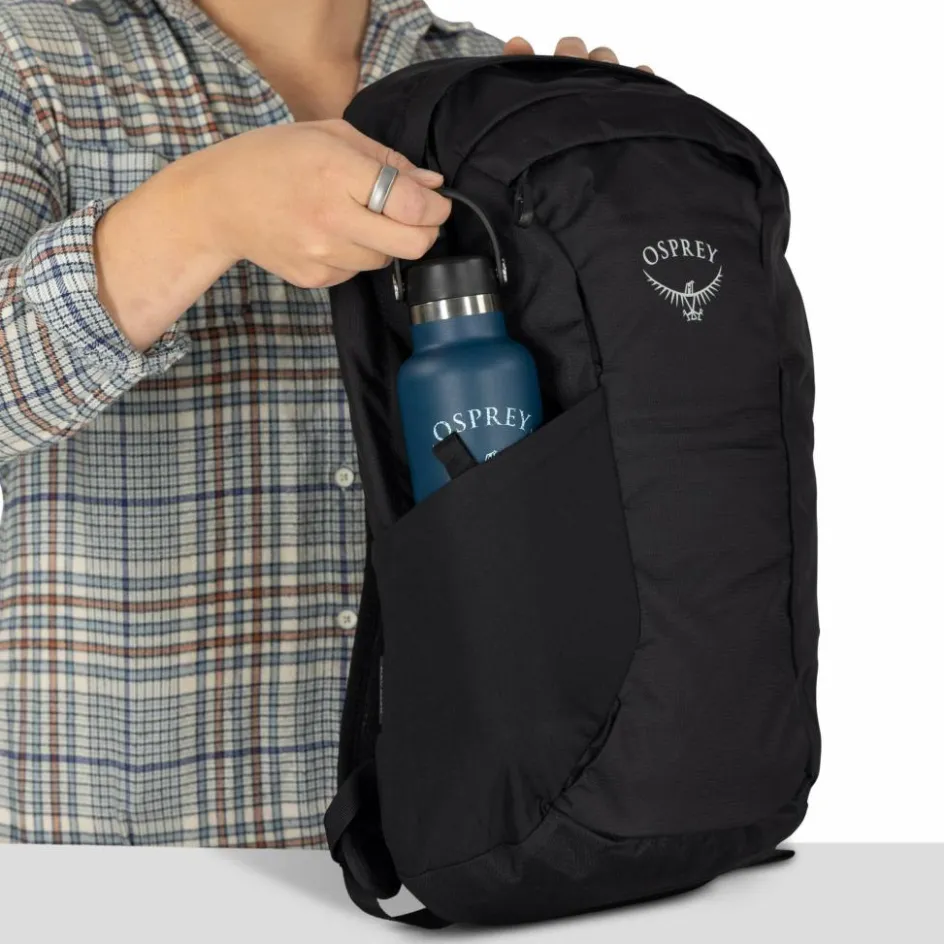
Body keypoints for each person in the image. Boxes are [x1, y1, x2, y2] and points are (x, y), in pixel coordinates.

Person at [0, 0, 645, 847]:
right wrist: (198, 211)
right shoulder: (26, 58)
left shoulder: (494, 86)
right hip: (142, 854)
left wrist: (610, 217)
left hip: (475, 844)